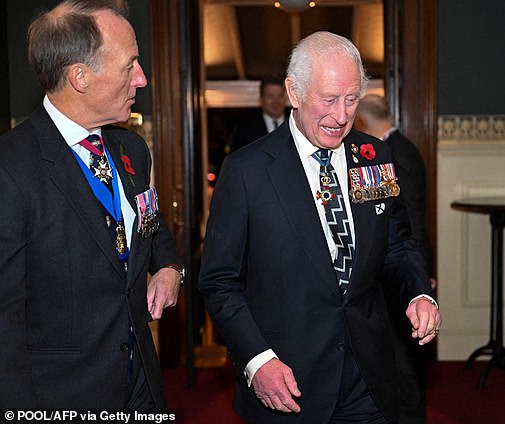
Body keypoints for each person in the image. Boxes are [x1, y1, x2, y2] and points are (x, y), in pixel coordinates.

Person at [198, 31, 441, 423]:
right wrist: (258, 361)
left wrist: (417, 293)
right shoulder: (247, 171)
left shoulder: (374, 156)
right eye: (329, 100)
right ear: (294, 93)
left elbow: (397, 245)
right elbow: (219, 281)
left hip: (369, 380)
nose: (342, 116)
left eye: (351, 100)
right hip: (288, 384)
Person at [0, 0, 184, 411]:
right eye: (129, 65)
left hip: (142, 389)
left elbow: (152, 230)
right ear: (79, 76)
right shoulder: (11, 168)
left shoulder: (132, 149)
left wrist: (171, 268)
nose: (142, 78)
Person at [355, 93, 435, 423]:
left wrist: (418, 277)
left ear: (361, 121)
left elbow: (409, 223)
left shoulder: (394, 155)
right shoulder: (402, 147)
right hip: (403, 269)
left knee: (403, 366)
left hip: (401, 273)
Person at [231, 77, 287, 151]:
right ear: (261, 100)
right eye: (270, 96)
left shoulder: (297, 126)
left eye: (280, 96)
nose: (276, 101)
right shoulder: (245, 130)